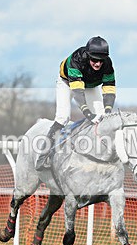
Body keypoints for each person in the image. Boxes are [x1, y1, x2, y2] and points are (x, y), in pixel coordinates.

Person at [35, 36, 116, 170]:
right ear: (88, 56)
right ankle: (44, 155)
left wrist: (108, 110)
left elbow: (109, 88)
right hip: (67, 82)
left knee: (102, 117)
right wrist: (88, 114)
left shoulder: (107, 64)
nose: (98, 64)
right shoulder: (76, 59)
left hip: (90, 85)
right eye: (94, 60)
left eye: (101, 61)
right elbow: (78, 92)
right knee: (63, 117)